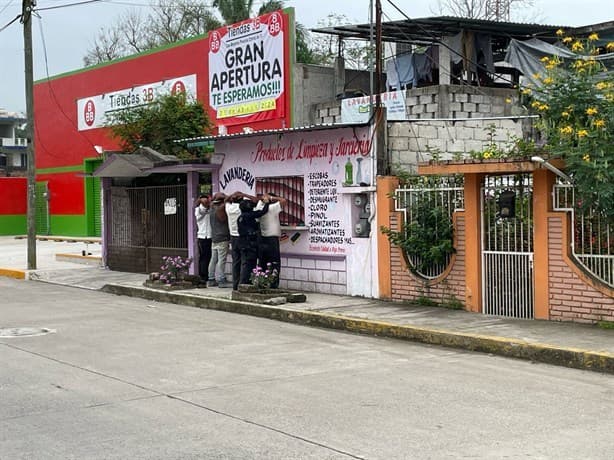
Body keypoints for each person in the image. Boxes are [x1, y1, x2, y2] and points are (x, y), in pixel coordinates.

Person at [225, 191, 258, 290]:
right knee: (245, 261)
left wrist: (232, 195)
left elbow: (225, 200)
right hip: (242, 237)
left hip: (233, 237)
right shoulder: (241, 210)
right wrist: (245, 194)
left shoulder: (229, 208)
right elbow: (255, 200)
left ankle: (235, 285)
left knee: (236, 262)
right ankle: (243, 283)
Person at [255, 192, 287, 288]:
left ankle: (262, 282)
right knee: (274, 263)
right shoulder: (272, 208)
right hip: (272, 239)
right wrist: (272, 197)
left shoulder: (259, 208)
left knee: (263, 262)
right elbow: (284, 200)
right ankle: (273, 284)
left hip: (262, 238)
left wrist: (264, 199)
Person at [237, 196, 270, 286]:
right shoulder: (249, 215)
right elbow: (263, 212)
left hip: (243, 242)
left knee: (246, 263)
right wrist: (267, 203)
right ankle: (245, 282)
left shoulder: (241, 217)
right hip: (249, 243)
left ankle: (244, 282)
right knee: (249, 264)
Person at [208, 192, 231, 288]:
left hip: (214, 237)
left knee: (213, 259)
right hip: (222, 237)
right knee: (222, 260)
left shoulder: (211, 208)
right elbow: (229, 200)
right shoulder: (221, 209)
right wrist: (225, 197)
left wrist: (217, 196)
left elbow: (212, 200)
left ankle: (211, 278)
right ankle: (221, 279)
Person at [194, 193, 212, 285]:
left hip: (210, 236)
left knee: (209, 257)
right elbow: (201, 213)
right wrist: (204, 204)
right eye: (204, 200)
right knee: (204, 257)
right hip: (203, 236)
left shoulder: (210, 208)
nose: (206, 201)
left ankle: (208, 275)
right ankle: (203, 276)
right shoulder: (198, 210)